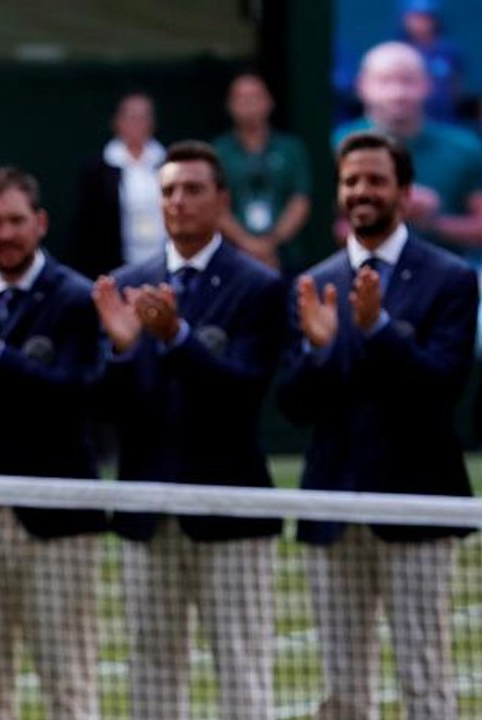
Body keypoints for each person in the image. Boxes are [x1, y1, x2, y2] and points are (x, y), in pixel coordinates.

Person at [278, 130, 477, 719]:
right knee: (342, 689)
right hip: (334, 507)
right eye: (351, 181)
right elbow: (293, 405)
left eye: (375, 180)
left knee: (424, 678)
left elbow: (443, 387)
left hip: (416, 505)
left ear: (406, 193)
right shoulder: (315, 282)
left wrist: (376, 329)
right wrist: (320, 349)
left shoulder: (451, 278)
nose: (362, 192)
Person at [91, 140, 285, 720]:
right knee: (152, 670)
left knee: (242, 671)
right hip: (147, 508)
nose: (179, 200)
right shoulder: (128, 281)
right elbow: (105, 404)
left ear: (221, 199)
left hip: (231, 507)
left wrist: (176, 338)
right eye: (169, 189)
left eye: (193, 189)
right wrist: (124, 350)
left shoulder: (258, 285)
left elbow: (244, 390)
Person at [0, 166, 105, 720]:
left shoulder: (78, 299)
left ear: (39, 223)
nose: (5, 233)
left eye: (15, 221)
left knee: (68, 680)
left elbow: (81, 398)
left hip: (56, 525)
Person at [332, 41, 482, 259]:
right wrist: (386, 214)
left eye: (408, 81)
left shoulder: (464, 147)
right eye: (385, 81)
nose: (398, 93)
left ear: (428, 84)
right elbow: (319, 227)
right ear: (362, 85)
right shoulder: (336, 146)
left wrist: (432, 222)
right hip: (361, 276)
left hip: (446, 275)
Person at [212, 72, 312, 272]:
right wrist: (248, 243)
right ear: (229, 105)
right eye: (241, 98)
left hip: (285, 257)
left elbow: (300, 200)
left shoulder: (291, 148)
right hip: (234, 258)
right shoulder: (218, 151)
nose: (249, 104)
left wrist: (271, 242)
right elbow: (214, 206)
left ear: (269, 102)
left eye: (255, 97)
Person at [69, 92, 167, 281]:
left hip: (163, 268)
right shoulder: (96, 169)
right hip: (116, 270)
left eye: (144, 117)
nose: (138, 123)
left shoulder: (170, 164)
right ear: (117, 122)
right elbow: (86, 231)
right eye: (132, 117)